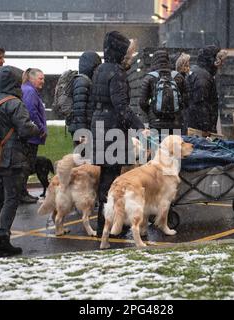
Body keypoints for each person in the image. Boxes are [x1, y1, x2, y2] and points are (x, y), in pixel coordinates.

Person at [91, 31, 147, 236]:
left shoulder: (100, 70)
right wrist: (140, 125)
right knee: (112, 181)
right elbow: (122, 106)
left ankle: (106, 224)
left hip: (100, 126)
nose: (129, 56)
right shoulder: (116, 72)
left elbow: (95, 102)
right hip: (112, 128)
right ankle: (108, 225)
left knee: (107, 177)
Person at [0, 66, 40, 257]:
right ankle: (3, 238)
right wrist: (36, 129)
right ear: (14, 82)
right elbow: (25, 129)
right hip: (10, 158)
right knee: (11, 198)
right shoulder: (14, 103)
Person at [139, 50, 187, 138]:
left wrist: (152, 111)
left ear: (154, 61)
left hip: (156, 123)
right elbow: (186, 99)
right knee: (174, 148)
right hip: (175, 123)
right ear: (167, 60)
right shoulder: (178, 77)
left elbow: (142, 102)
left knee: (157, 148)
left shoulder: (149, 77)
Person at [186, 45, 227, 137]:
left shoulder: (197, 71)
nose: (222, 64)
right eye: (220, 60)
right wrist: (206, 128)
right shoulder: (203, 77)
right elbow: (201, 104)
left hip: (192, 124)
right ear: (213, 60)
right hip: (199, 129)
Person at [19, 68, 47, 204]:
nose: (43, 81)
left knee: (25, 165)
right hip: (31, 136)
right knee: (26, 165)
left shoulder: (27, 90)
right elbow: (32, 113)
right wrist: (41, 128)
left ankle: (21, 192)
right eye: (41, 78)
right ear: (32, 78)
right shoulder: (30, 92)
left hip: (29, 135)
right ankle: (22, 193)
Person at [68, 51, 102, 146]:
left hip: (83, 127)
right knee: (82, 158)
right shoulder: (82, 81)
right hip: (82, 129)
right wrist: (82, 133)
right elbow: (79, 109)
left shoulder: (85, 81)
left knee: (85, 157)